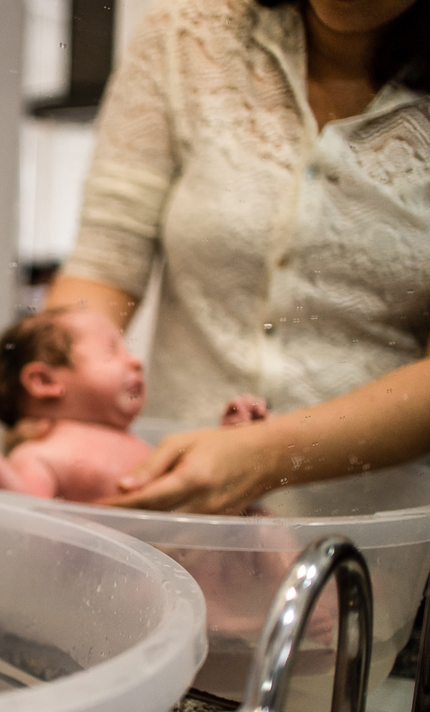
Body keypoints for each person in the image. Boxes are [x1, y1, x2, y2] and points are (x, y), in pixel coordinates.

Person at [45, 0, 430, 510]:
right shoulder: (185, 35)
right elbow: (104, 263)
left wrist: (266, 454)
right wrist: (48, 389)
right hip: (170, 505)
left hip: (375, 524)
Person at [0, 308, 266, 503]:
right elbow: (27, 516)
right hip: (122, 589)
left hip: (180, 563)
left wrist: (229, 441)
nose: (135, 361)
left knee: (259, 518)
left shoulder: (133, 441)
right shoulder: (40, 453)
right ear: (44, 382)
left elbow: (189, 492)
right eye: (112, 351)